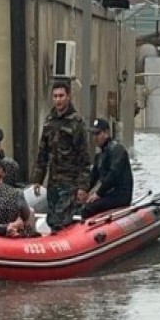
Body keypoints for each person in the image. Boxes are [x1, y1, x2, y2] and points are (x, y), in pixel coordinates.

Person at [30, 80, 91, 231]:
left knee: (62, 221)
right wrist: (37, 179)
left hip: (70, 183)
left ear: (68, 97)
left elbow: (84, 158)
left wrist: (83, 187)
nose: (58, 100)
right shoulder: (49, 121)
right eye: (55, 96)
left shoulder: (77, 123)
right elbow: (43, 152)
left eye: (61, 96)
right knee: (52, 219)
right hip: (53, 182)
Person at [78, 117, 134, 218]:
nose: (95, 137)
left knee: (89, 207)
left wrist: (98, 194)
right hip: (108, 193)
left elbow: (113, 175)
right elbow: (93, 176)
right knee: (76, 205)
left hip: (120, 195)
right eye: (93, 134)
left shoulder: (118, 150)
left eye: (98, 134)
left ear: (106, 133)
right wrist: (84, 190)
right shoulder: (100, 154)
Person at [0, 157, 37, 237]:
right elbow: (26, 216)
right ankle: (31, 237)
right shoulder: (17, 193)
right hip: (11, 230)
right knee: (31, 211)